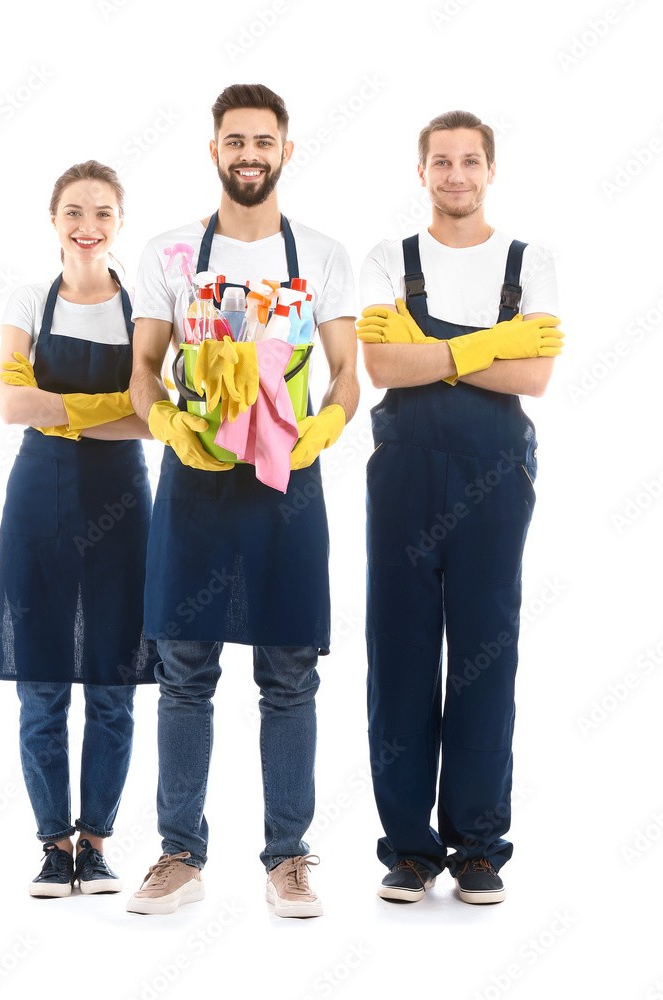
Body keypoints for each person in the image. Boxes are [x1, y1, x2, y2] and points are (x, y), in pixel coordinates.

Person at [126, 84, 358, 918]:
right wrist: (161, 418)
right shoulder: (170, 253)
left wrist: (326, 423)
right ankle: (179, 855)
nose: (249, 154)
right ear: (214, 150)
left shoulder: (321, 254)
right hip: (193, 482)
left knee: (290, 671)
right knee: (185, 668)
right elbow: (142, 364)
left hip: (288, 487)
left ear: (286, 151)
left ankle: (288, 859)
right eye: (235, 141)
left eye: (263, 141)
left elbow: (347, 374)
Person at [357, 111, 564, 904]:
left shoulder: (528, 260)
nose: (455, 175)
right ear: (422, 173)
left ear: (490, 170)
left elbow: (536, 378)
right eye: (440, 161)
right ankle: (409, 851)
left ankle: (477, 847)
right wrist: (488, 348)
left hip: (494, 479)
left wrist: (432, 355)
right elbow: (380, 364)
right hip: (404, 477)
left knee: (486, 655)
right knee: (400, 656)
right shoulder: (389, 258)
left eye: (469, 161)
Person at [0, 160, 158, 897]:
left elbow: (155, 418)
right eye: (73, 213)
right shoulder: (29, 301)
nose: (88, 227)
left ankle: (96, 844)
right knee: (42, 683)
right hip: (39, 500)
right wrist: (104, 411)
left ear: (121, 224)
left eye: (102, 214)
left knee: (115, 682)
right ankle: (52, 847)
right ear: (53, 221)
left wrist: (61, 406)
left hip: (124, 502)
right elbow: (9, 405)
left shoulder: (146, 312)